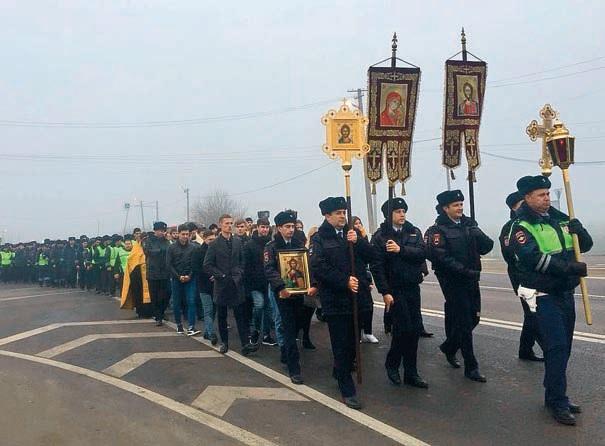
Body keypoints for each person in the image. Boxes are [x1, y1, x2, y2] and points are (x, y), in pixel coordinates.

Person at [509, 175, 592, 425]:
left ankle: (553, 394)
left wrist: (580, 230)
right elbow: (533, 259)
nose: (546, 198)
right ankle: (558, 401)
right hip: (544, 295)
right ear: (527, 198)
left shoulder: (561, 220)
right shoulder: (521, 226)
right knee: (555, 348)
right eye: (540, 195)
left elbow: (584, 246)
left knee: (564, 348)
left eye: (547, 194)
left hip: (566, 292)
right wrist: (570, 269)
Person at [309, 197, 375, 409]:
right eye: (338, 213)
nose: (342, 216)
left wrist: (359, 241)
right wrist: (344, 280)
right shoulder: (320, 238)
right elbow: (318, 266)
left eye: (344, 213)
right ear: (327, 215)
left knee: (354, 342)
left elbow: (371, 256)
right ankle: (347, 388)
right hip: (335, 299)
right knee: (341, 343)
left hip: (357, 298)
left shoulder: (351, 233)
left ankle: (340, 369)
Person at [425, 189, 493, 383]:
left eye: (461, 204)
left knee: (474, 318)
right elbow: (440, 257)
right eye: (456, 205)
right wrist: (464, 271)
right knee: (464, 322)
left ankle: (449, 346)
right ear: (445, 208)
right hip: (452, 281)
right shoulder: (437, 230)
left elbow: (487, 247)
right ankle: (471, 367)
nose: (460, 208)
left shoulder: (468, 225)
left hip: (472, 278)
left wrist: (477, 232)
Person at [370, 197, 428, 388]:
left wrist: (400, 249)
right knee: (403, 329)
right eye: (397, 212)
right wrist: (384, 291)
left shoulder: (413, 232)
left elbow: (422, 253)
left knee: (414, 330)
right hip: (394, 289)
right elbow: (377, 267)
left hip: (412, 286)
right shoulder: (380, 237)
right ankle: (392, 364)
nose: (402, 215)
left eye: (404, 211)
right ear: (388, 215)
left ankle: (411, 372)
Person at [265, 210, 315, 384]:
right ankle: (294, 369)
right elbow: (269, 269)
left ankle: (285, 352)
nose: (291, 229)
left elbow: (307, 266)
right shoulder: (271, 247)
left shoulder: (299, 244)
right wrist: (280, 287)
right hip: (282, 294)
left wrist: (311, 284)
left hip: (299, 293)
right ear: (279, 228)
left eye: (293, 226)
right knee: (288, 326)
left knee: (296, 326)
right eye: (287, 226)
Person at [203, 214, 258, 356]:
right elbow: (207, 265)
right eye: (226, 223)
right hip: (221, 284)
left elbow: (242, 260)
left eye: (230, 223)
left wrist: (239, 273)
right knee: (222, 316)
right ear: (220, 225)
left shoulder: (237, 242)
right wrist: (220, 275)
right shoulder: (214, 244)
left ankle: (245, 344)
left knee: (240, 315)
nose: (229, 226)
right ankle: (224, 343)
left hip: (236, 283)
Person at [499, 191, 544, 362]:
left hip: (539, 275)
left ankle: (525, 349)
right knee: (534, 314)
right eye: (522, 203)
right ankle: (550, 349)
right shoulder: (510, 227)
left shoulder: (536, 222)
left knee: (532, 314)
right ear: (514, 207)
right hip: (522, 276)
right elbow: (510, 255)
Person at [243, 218, 275, 346]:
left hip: (269, 283)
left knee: (268, 309)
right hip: (254, 283)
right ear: (257, 227)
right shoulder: (250, 245)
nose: (265, 229)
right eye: (262, 227)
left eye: (267, 227)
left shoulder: (272, 244)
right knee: (259, 305)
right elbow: (246, 265)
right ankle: (256, 330)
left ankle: (266, 335)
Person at [166, 224, 201, 336]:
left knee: (191, 301)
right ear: (178, 234)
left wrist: (189, 275)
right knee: (177, 302)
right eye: (183, 234)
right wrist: (178, 276)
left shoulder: (193, 247)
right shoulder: (171, 248)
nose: (185, 236)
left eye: (187, 234)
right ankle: (179, 325)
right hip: (176, 279)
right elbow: (169, 264)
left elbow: (195, 264)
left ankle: (191, 326)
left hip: (190, 278)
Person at [352, 216, 379, 344]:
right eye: (355, 223)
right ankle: (357, 334)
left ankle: (368, 332)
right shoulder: (349, 238)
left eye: (359, 223)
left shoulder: (362, 239)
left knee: (368, 306)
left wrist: (363, 238)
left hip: (363, 276)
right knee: (356, 308)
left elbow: (370, 256)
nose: (358, 225)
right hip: (353, 276)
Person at [144, 222, 171, 326]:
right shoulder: (148, 240)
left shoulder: (166, 241)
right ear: (155, 231)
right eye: (160, 230)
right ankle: (158, 316)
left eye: (163, 231)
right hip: (153, 273)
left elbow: (169, 252)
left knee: (166, 294)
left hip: (165, 272)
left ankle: (162, 312)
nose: (162, 233)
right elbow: (149, 252)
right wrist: (161, 251)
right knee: (155, 296)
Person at [198, 230, 218, 345]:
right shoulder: (199, 252)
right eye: (210, 239)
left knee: (214, 310)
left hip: (215, 285)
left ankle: (207, 331)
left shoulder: (217, 250)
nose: (212, 242)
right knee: (208, 309)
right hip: (204, 285)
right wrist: (210, 275)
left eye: (214, 239)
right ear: (204, 239)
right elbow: (197, 268)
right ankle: (211, 333)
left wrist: (216, 275)